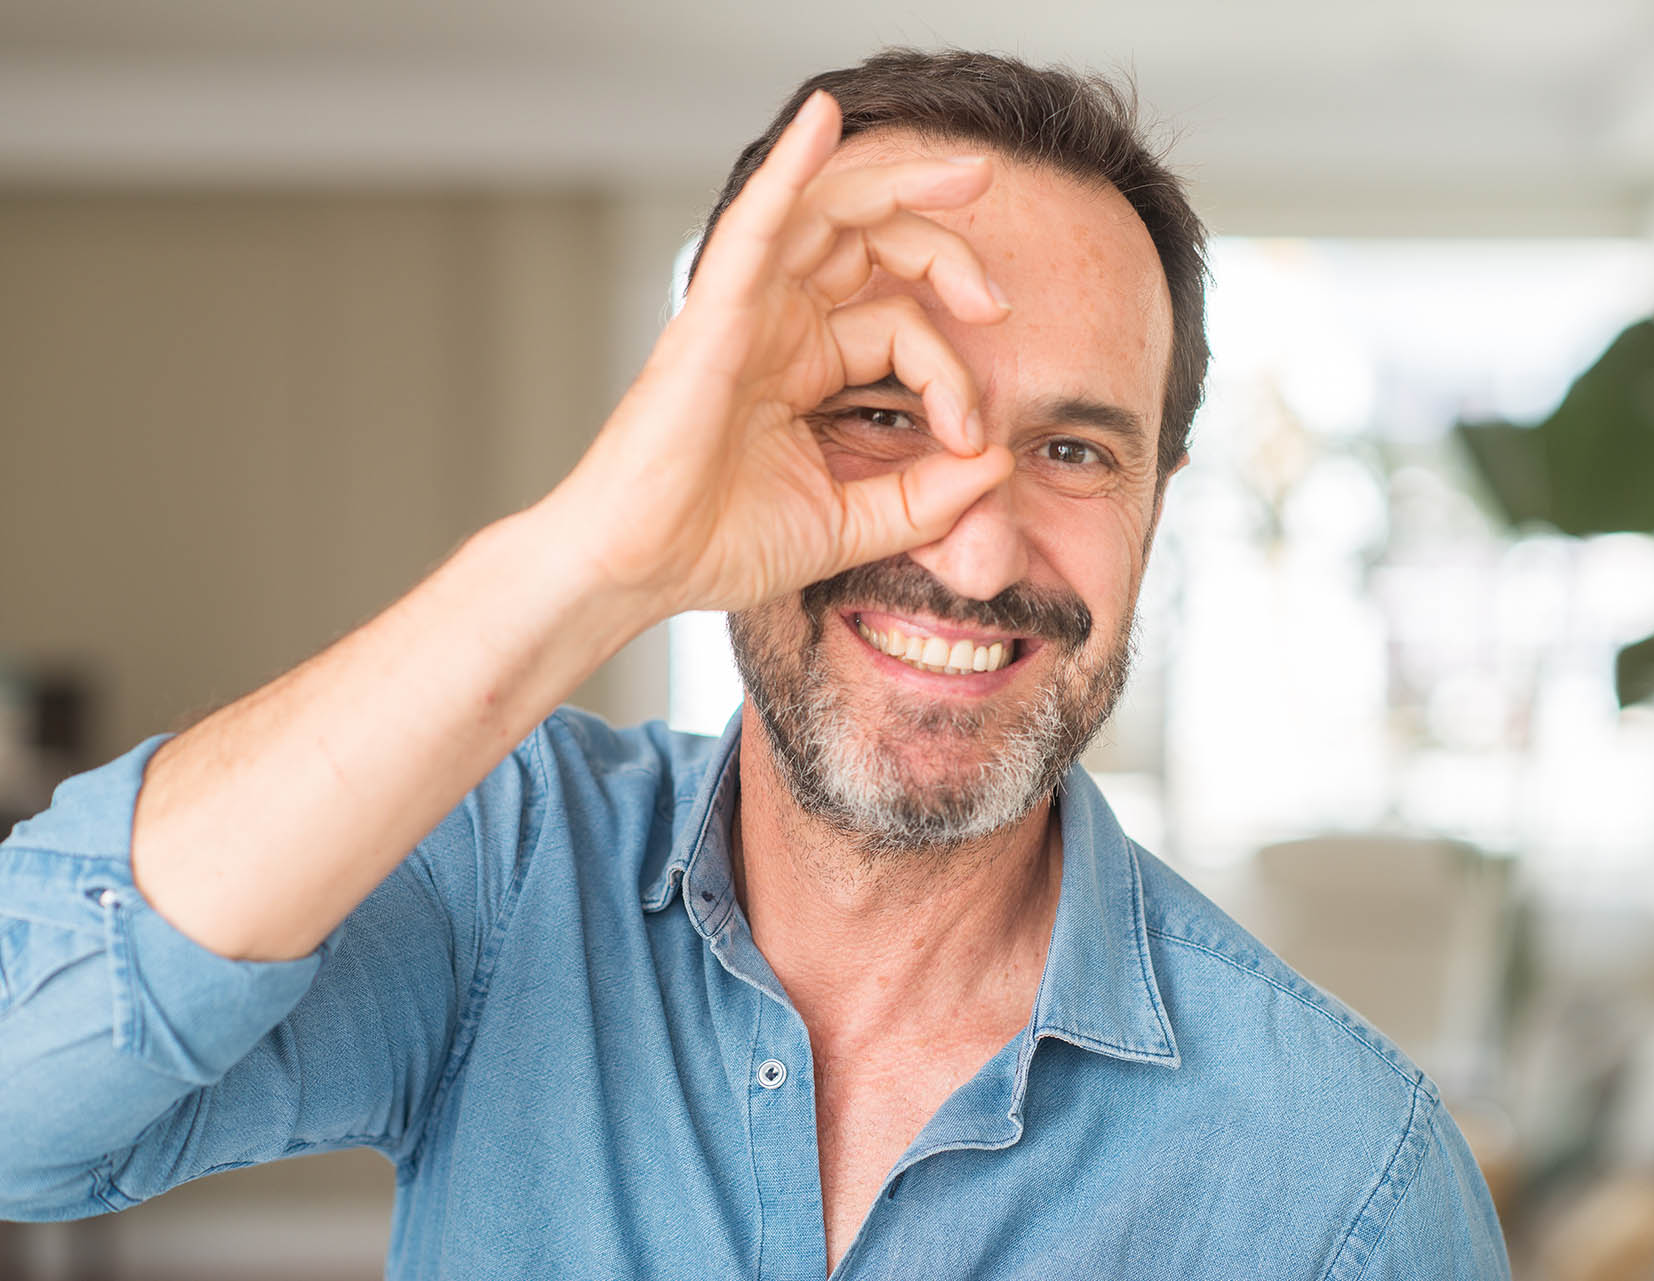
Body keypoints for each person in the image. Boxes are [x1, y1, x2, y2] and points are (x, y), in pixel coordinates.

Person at [0, 49, 1508, 1279]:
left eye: (1068, 448)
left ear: (1156, 506)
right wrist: (585, 559)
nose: (974, 556)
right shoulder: (511, 870)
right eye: (878, 412)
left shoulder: (1348, 1184)